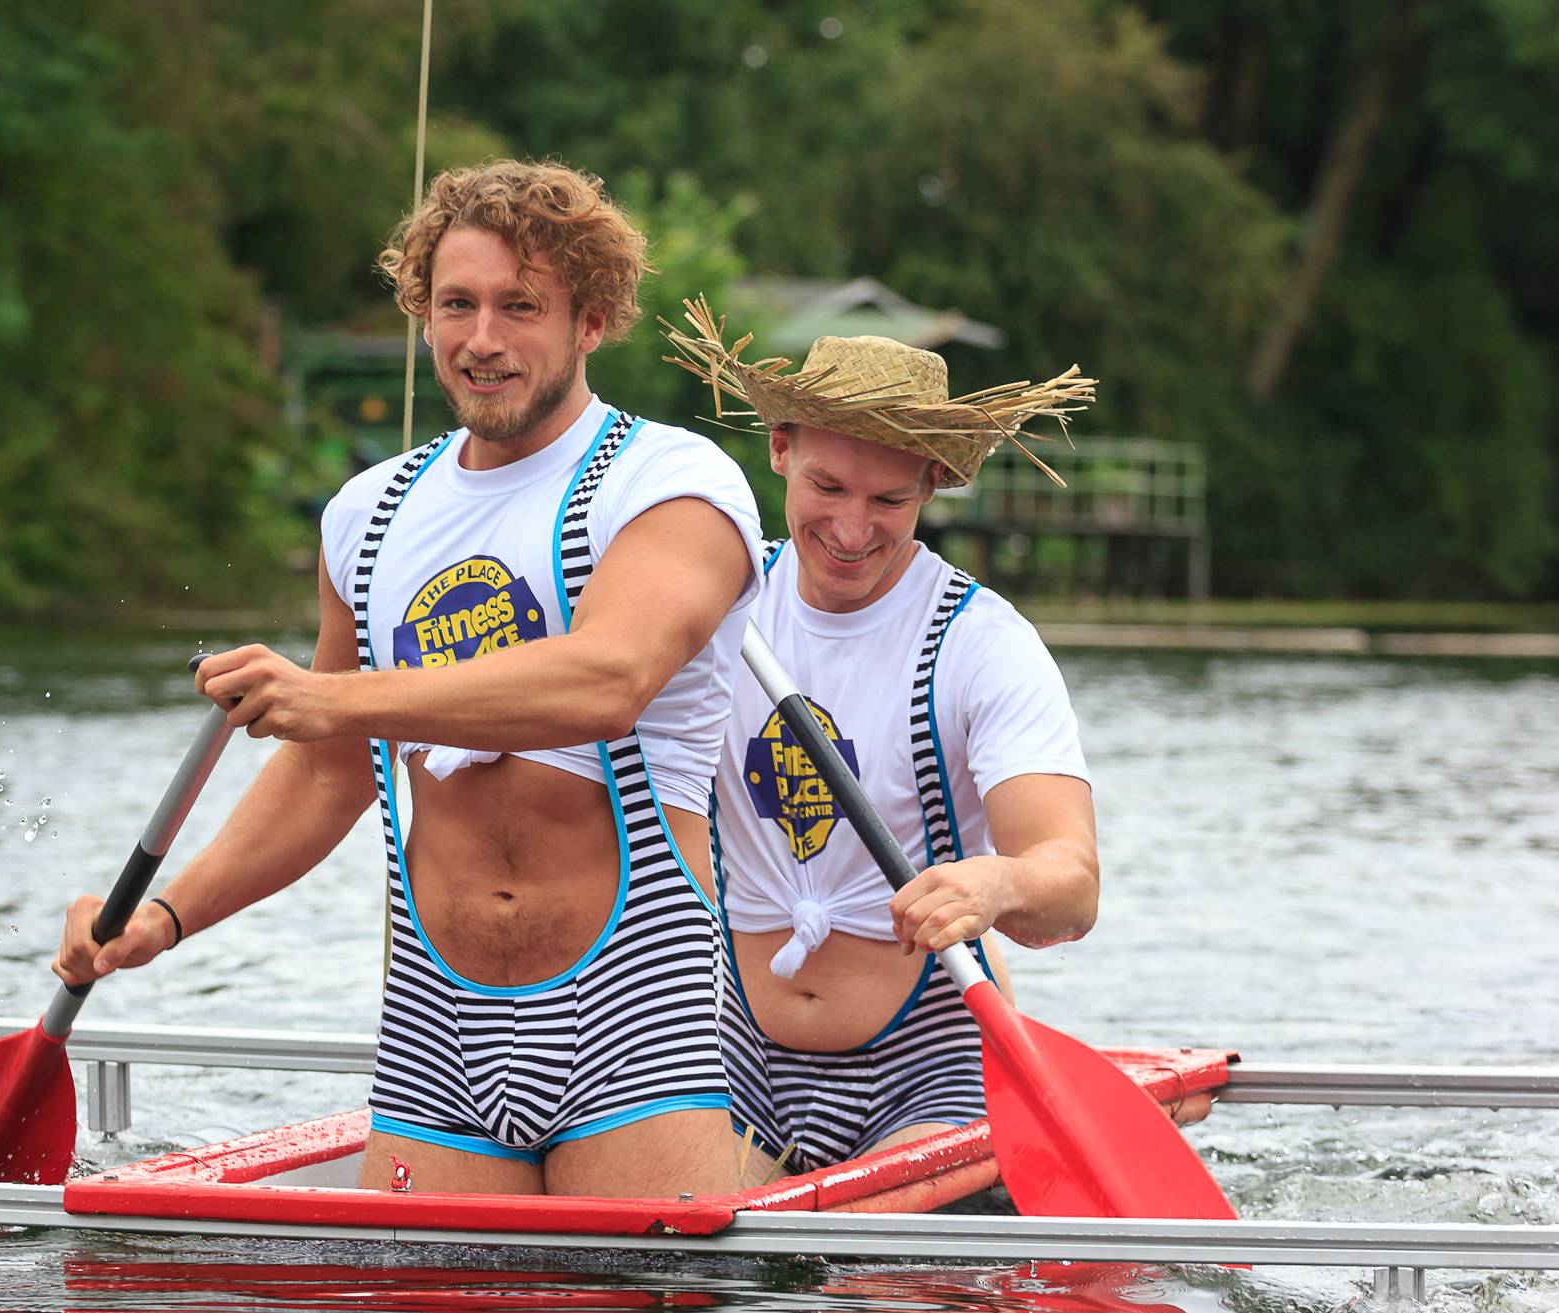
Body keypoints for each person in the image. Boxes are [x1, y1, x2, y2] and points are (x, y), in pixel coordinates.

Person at [54, 162, 762, 1197]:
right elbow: (326, 772)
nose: (483, 338)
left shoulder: (671, 480)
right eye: (457, 304)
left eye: (521, 306)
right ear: (423, 315)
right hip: (439, 1026)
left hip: (637, 1010)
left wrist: (330, 698)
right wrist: (164, 916)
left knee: (633, 1284)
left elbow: (607, 679)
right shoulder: (368, 513)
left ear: (590, 321)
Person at [663, 301, 1100, 1178]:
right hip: (733, 1054)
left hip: (931, 1066)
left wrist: (999, 882)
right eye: (827, 488)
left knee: (859, 1258)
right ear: (779, 449)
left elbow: (1074, 883)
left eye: (889, 499)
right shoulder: (714, 607)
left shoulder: (984, 643)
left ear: (932, 482)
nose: (852, 529)